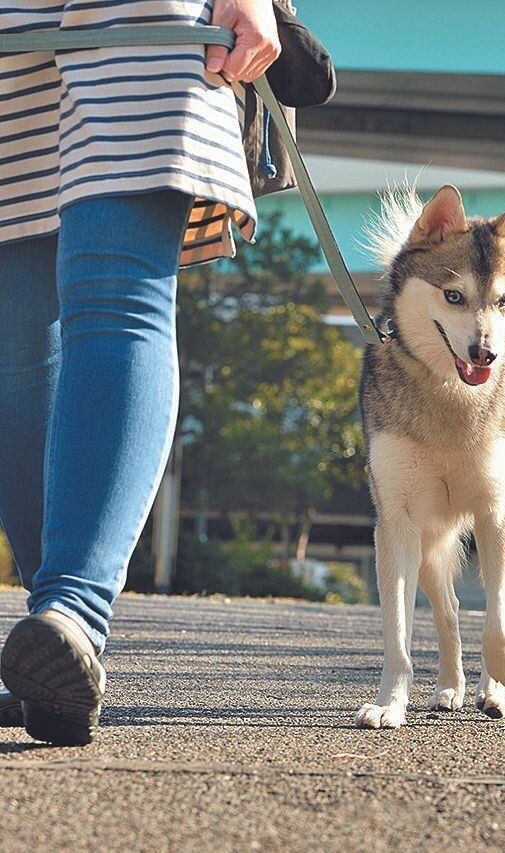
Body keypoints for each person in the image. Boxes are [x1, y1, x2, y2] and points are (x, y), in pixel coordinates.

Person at [0, 0, 281, 745]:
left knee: (117, 292)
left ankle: (71, 612)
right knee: (16, 342)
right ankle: (51, 650)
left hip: (143, 9)